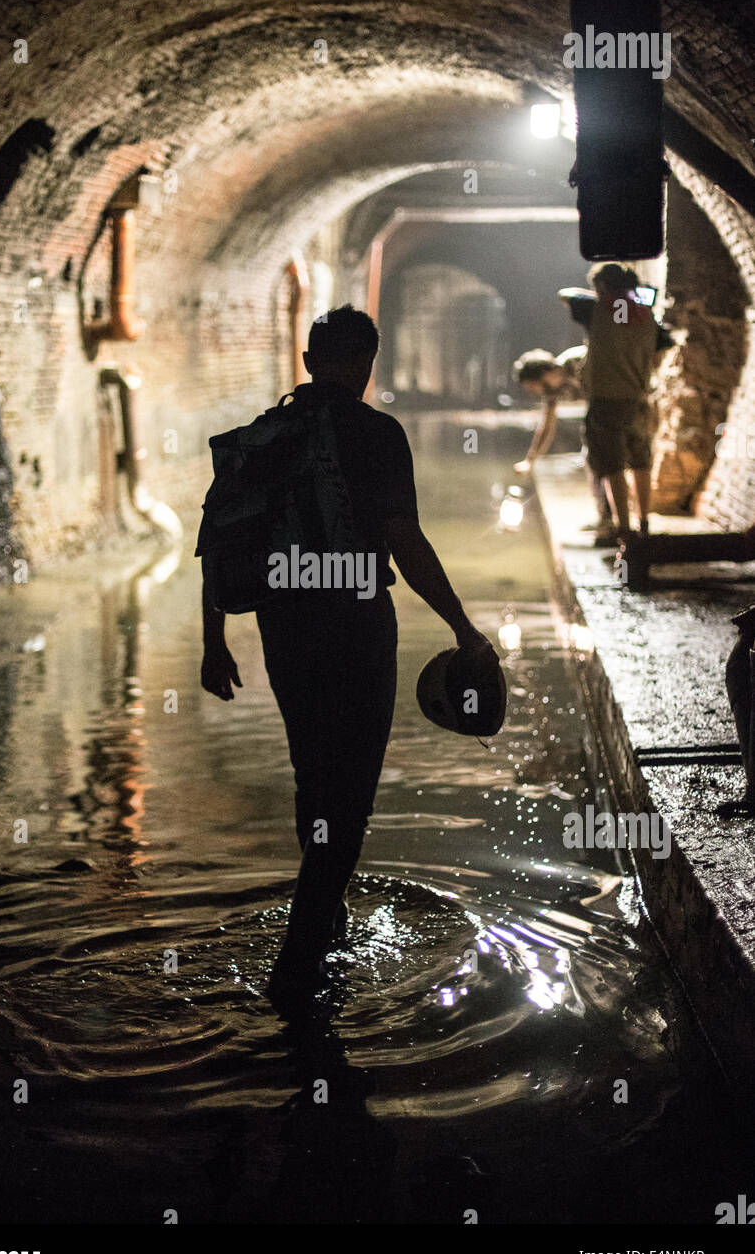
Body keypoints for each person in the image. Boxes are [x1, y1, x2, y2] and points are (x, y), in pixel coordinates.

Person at [200, 305, 494, 1005]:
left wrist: (213, 644)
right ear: (367, 363)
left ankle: (327, 922)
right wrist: (462, 627)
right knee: (351, 794)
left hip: (284, 628)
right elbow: (403, 538)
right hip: (357, 624)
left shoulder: (261, 436)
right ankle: (298, 967)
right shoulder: (376, 432)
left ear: (307, 361)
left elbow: (221, 546)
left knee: (313, 775)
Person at [581, 263, 662, 539]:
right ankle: (645, 523)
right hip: (637, 399)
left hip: (607, 401)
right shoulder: (646, 313)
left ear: (602, 287)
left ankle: (624, 529)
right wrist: (633, 295)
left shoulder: (596, 309)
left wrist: (601, 296)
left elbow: (565, 295)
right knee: (640, 460)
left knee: (612, 464)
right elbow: (662, 346)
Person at [512, 347, 613, 533]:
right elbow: (547, 427)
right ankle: (606, 517)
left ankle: (615, 520)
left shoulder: (577, 361)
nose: (533, 391)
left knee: (607, 461)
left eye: (532, 386)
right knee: (591, 458)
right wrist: (530, 460)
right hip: (598, 412)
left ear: (543, 374)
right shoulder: (552, 391)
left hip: (614, 404)